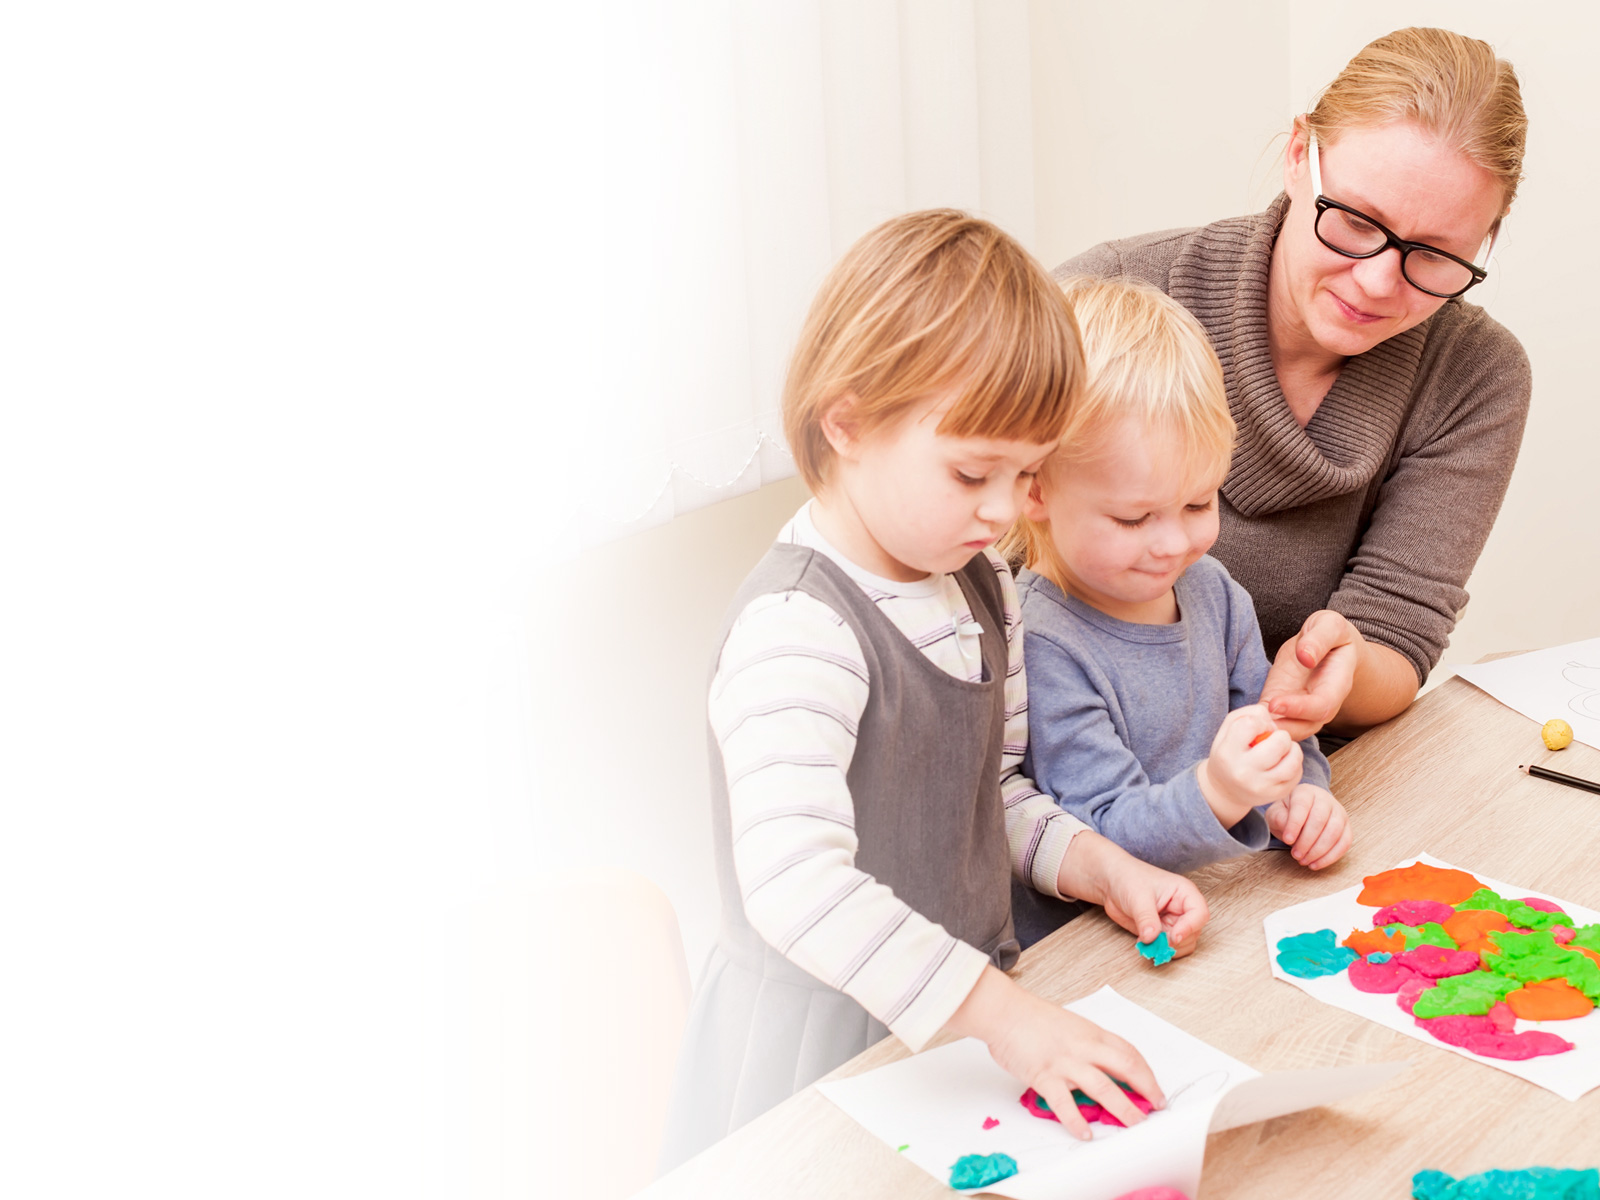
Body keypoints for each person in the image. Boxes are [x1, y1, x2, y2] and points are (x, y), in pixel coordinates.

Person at [659, 210, 1208, 1172]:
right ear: (847, 423)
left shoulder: (977, 581)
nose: (1004, 510)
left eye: (1027, 473)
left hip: (953, 1040)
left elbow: (989, 796)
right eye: (971, 472)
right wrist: (1007, 1018)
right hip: (817, 1066)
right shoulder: (798, 629)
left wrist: (1102, 869)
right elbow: (796, 886)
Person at [1054, 27, 1531, 745]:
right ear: (1298, 153)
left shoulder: (1474, 373)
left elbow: (1396, 634)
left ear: (1488, 237)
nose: (1378, 283)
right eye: (1358, 221)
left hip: (1293, 766)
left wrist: (1337, 671)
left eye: (1437, 255)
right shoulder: (1100, 298)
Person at [1002, 277, 1350, 948]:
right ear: (1034, 491)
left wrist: (1300, 792)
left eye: (1197, 503)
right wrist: (1220, 791)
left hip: (1227, 902)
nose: (1172, 544)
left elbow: (1273, 727)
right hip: (1098, 944)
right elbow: (1102, 834)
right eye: (1134, 518)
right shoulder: (1039, 642)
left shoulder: (1211, 588)